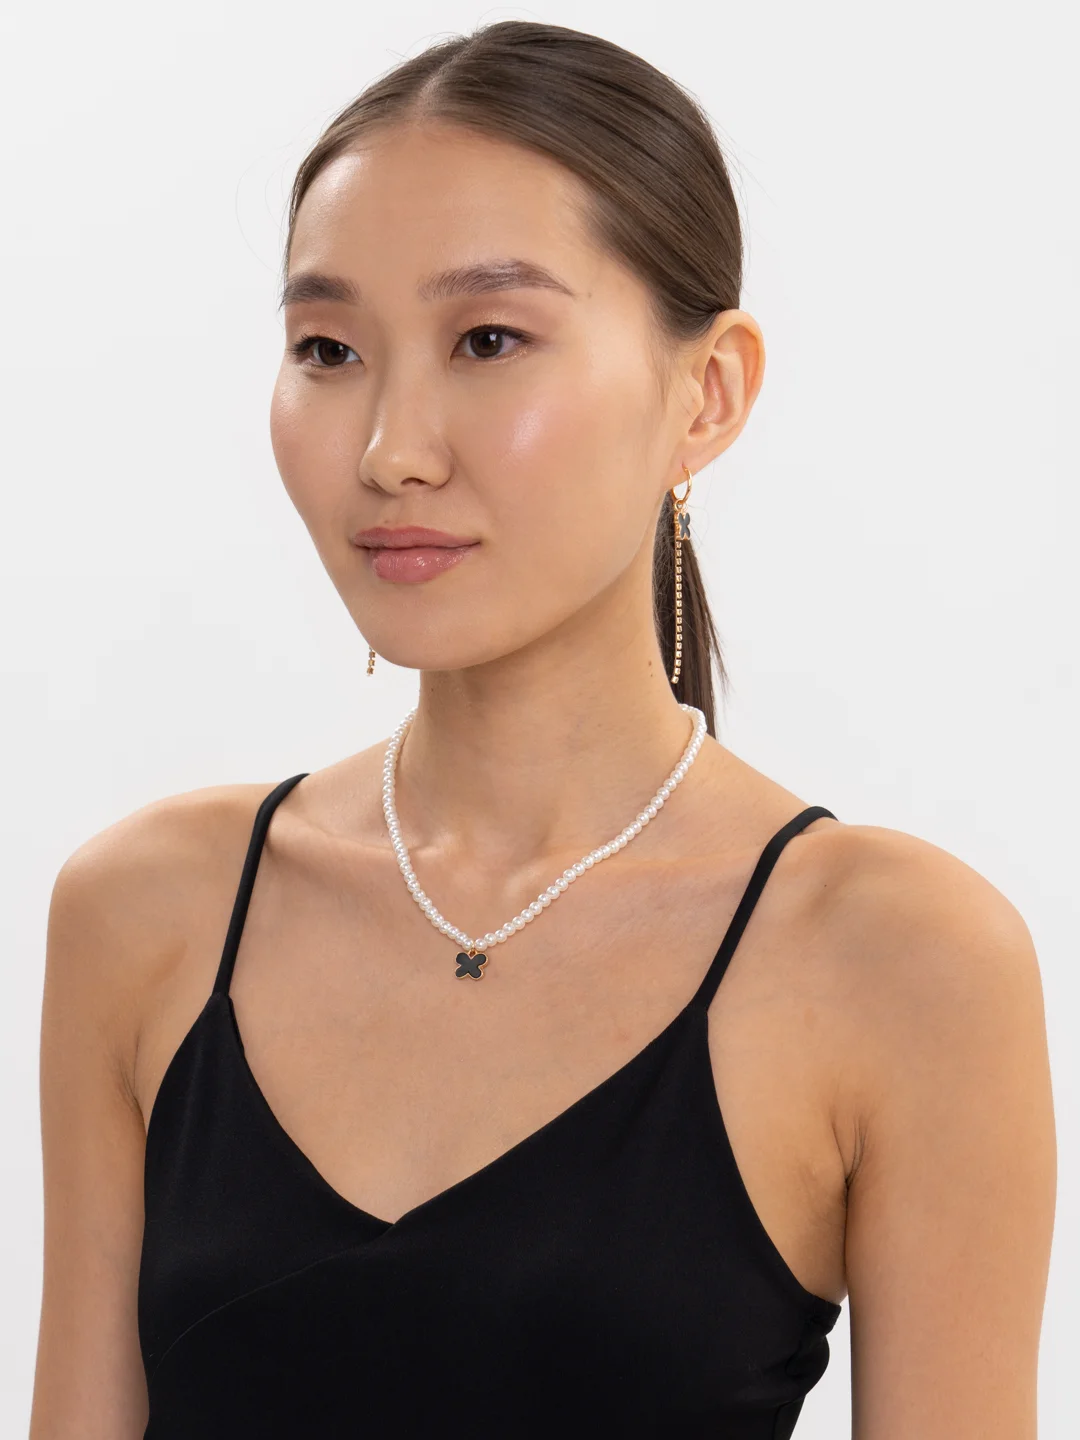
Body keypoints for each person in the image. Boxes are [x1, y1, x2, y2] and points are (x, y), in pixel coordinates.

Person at [31, 19, 1055, 1440]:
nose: (391, 449)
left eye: (489, 340)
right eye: (328, 348)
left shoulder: (902, 962)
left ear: (708, 393)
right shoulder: (147, 914)